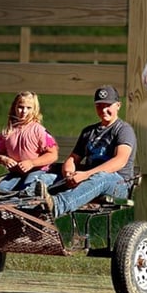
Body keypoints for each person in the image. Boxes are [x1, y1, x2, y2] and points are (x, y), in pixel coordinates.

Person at [39, 85, 136, 218]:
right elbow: (73, 158)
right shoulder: (88, 132)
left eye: (108, 105)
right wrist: (68, 172)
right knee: (48, 176)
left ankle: (58, 205)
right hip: (89, 179)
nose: (104, 110)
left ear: (118, 105)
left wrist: (86, 175)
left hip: (118, 184)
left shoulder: (123, 130)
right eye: (99, 106)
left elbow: (120, 161)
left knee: (101, 177)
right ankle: (24, 204)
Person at [0, 90, 59, 196]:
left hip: (36, 170)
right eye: (20, 107)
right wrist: (4, 159)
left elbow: (53, 154)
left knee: (27, 188)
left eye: (28, 108)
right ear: (14, 107)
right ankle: (6, 207)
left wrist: (32, 163)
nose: (24, 111)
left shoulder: (38, 130)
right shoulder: (8, 131)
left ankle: (17, 206)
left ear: (35, 110)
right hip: (16, 172)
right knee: (3, 187)